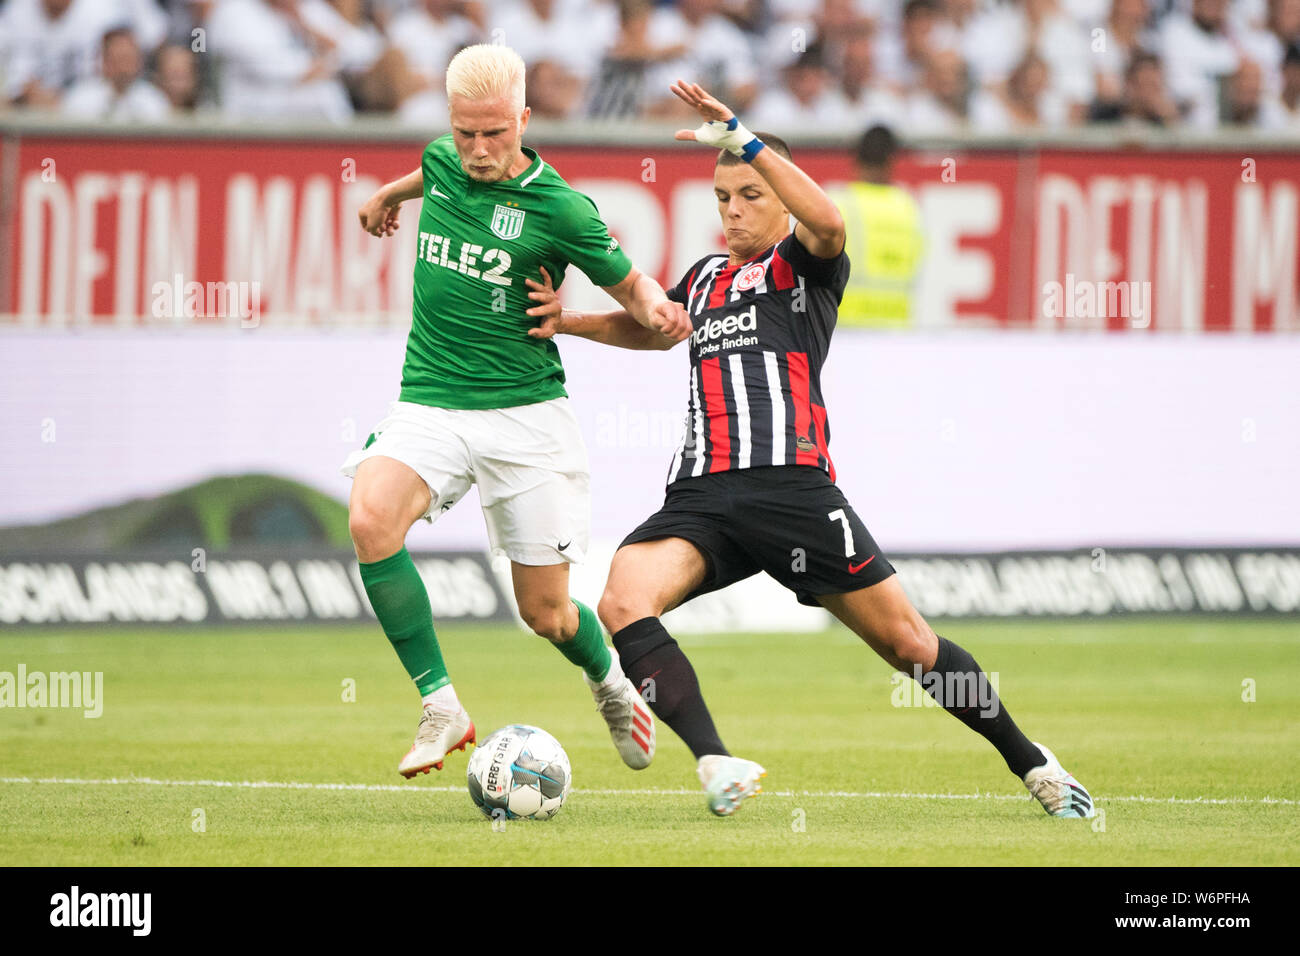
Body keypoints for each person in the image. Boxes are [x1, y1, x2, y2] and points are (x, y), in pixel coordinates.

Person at [531, 81, 1096, 820]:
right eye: (723, 195)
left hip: (794, 490)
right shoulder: (704, 277)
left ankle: (1035, 765)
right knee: (622, 599)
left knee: (908, 645)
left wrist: (744, 137)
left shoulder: (803, 266)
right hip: (702, 497)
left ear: (781, 199)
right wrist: (570, 321)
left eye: (749, 195)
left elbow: (828, 220)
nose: (731, 209)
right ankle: (715, 761)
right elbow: (655, 325)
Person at [343, 43, 690, 779]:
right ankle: (442, 706)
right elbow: (427, 169)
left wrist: (659, 307)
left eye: (494, 133)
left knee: (547, 615)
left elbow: (630, 284)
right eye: (464, 131)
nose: (476, 149)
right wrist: (385, 197)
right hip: (431, 397)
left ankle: (609, 683)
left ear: (525, 120)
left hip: (525, 419)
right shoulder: (442, 159)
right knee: (371, 519)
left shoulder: (559, 207)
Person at [830, 125, 924, 328]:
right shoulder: (909, 207)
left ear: (855, 158)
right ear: (892, 160)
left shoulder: (836, 203)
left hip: (844, 330)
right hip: (896, 331)